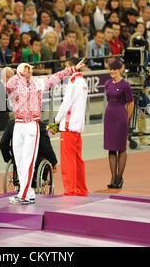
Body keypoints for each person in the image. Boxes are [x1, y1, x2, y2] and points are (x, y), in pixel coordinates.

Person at [5, 58, 86, 205]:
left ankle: (23, 195)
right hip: (18, 124)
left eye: (30, 68)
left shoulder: (38, 83)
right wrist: (20, 74)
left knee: (29, 161)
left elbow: (56, 77)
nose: (28, 71)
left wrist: (72, 69)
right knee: (20, 161)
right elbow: (8, 85)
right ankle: (28, 193)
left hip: (32, 125)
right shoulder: (15, 84)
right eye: (26, 68)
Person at [55, 57, 88, 196]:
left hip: (69, 126)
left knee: (68, 160)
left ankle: (69, 191)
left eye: (66, 67)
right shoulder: (83, 82)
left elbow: (65, 104)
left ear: (71, 66)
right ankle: (81, 190)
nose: (65, 70)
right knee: (78, 160)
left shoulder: (73, 82)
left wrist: (56, 121)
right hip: (77, 126)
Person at [103, 58, 134, 189]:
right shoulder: (107, 83)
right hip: (109, 117)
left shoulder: (125, 85)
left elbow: (130, 103)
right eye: (110, 69)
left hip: (121, 117)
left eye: (114, 69)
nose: (112, 71)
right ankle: (113, 177)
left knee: (121, 148)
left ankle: (119, 177)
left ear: (120, 69)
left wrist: (126, 119)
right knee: (111, 148)